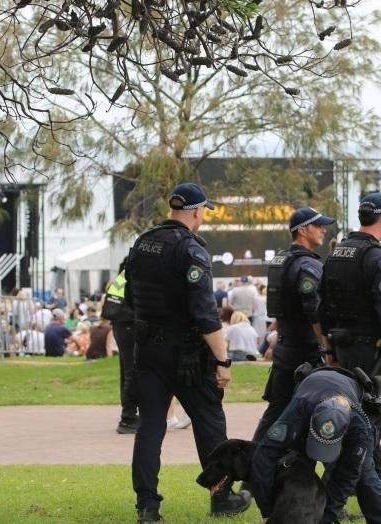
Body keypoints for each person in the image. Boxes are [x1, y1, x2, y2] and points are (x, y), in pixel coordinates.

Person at [125, 182, 250, 522]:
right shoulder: (190, 250)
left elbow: (132, 298)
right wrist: (223, 360)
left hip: (147, 350)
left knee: (150, 428)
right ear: (196, 211)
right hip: (187, 356)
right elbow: (206, 314)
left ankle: (147, 506)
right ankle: (221, 498)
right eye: (204, 211)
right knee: (210, 423)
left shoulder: (142, 243)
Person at [320, 192, 381, 497]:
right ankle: (351, 493)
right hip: (369, 353)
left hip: (342, 348)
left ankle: (375, 494)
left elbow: (322, 310)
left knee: (355, 418)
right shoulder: (378, 258)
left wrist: (330, 350)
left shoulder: (337, 253)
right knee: (369, 422)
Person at [252, 368, 381, 524]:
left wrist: (326, 519)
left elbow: (346, 477)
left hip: (355, 401)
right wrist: (267, 510)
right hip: (310, 393)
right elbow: (264, 456)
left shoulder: (359, 427)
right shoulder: (299, 410)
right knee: (298, 464)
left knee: (364, 472)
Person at [252, 207, 334, 442]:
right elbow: (314, 313)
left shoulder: (281, 260)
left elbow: (282, 307)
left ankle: (254, 462)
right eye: (318, 226)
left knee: (275, 413)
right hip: (304, 350)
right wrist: (327, 348)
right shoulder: (308, 265)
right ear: (303, 230)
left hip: (284, 347)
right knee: (308, 415)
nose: (323, 230)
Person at [102, 263, 140, 434]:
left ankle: (128, 415)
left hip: (119, 325)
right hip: (129, 325)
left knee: (127, 371)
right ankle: (128, 417)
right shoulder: (132, 277)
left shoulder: (121, 278)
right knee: (132, 372)